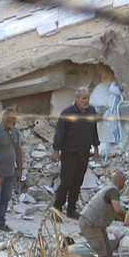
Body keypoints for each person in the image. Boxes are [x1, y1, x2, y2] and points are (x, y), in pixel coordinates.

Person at [51, 86, 100, 218]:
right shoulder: (67, 113)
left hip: (84, 153)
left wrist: (96, 148)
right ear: (77, 98)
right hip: (69, 153)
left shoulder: (91, 111)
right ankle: (56, 211)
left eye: (88, 98)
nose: (86, 101)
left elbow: (93, 130)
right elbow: (59, 133)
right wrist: (56, 151)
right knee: (66, 182)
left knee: (77, 183)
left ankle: (71, 210)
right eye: (84, 98)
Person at [78, 171, 127, 257]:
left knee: (108, 251)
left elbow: (114, 215)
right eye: (124, 182)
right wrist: (126, 218)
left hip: (96, 225)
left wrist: (125, 219)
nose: (124, 185)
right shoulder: (113, 191)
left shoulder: (108, 189)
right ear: (119, 182)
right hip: (90, 224)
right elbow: (118, 210)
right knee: (101, 253)